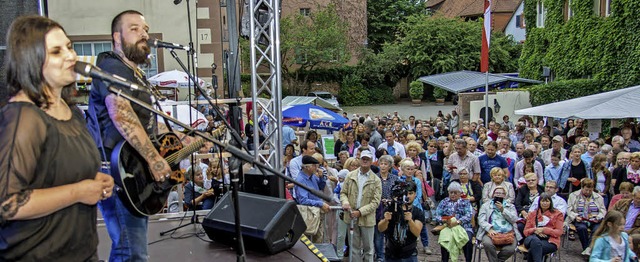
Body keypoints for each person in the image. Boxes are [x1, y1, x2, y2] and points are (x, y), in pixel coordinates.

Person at [88, 10, 204, 261]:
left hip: (131, 167)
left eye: (146, 29)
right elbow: (120, 113)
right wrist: (153, 159)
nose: (144, 34)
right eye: (135, 29)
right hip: (117, 169)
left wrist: (180, 138)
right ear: (116, 38)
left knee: (129, 249)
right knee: (131, 251)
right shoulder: (110, 64)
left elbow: (145, 121)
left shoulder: (135, 75)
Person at [0, 15, 115, 261]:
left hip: (81, 250)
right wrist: (79, 190)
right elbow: (8, 204)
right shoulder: (22, 116)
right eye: (56, 51)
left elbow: (54, 172)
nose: (70, 56)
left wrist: (94, 179)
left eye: (69, 47)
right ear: (31, 60)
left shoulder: (71, 112)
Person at [340, 150, 383, 261]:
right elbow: (343, 193)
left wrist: (360, 212)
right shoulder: (350, 176)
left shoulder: (376, 180)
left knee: (368, 248)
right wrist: (345, 202)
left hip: (367, 219)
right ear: (359, 159)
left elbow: (375, 202)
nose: (365, 161)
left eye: (367, 159)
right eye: (363, 158)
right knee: (354, 247)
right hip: (351, 217)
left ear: (371, 161)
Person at [377, 181, 425, 262]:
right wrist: (386, 220)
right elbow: (380, 229)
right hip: (391, 253)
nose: (408, 196)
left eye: (411, 193)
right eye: (406, 194)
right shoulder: (391, 208)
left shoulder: (418, 212)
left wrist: (410, 221)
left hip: (409, 253)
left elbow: (417, 233)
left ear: (415, 194)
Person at [476, 186, 521, 262]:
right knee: (488, 244)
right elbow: (481, 220)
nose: (499, 195)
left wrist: (503, 210)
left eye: (501, 193)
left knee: (510, 249)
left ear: (504, 195)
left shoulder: (510, 206)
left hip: (508, 233)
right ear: (493, 194)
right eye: (497, 193)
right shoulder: (485, 206)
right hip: (490, 232)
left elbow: (514, 219)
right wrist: (489, 229)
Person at [434, 182, 474, 262]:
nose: (453, 194)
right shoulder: (444, 202)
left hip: (464, 227)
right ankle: (444, 260)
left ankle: (468, 260)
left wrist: (458, 222)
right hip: (448, 226)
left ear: (460, 193)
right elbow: (436, 215)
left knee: (468, 241)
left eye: (455, 193)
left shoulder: (465, 202)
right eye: (451, 192)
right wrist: (443, 219)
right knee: (445, 239)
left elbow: (469, 215)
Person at [565, 178, 606, 255]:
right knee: (582, 228)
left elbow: (603, 210)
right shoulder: (573, 195)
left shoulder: (599, 197)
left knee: (597, 229)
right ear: (582, 187)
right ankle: (586, 248)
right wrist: (575, 216)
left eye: (590, 190)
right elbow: (569, 210)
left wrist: (598, 217)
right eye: (586, 190)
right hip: (580, 219)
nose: (588, 192)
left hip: (594, 220)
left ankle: (589, 249)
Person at [295, 155, 330, 242]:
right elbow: (303, 200)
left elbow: (321, 187)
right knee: (309, 242)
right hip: (309, 215)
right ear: (307, 167)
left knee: (319, 239)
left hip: (316, 213)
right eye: (314, 166)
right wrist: (320, 204)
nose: (317, 168)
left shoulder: (313, 177)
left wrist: (322, 178)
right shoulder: (300, 180)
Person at [523, 193, 564, 262]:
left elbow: (559, 232)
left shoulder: (558, 214)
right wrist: (535, 230)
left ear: (551, 202)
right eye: (543, 201)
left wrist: (544, 230)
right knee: (535, 242)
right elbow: (525, 231)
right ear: (539, 202)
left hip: (550, 241)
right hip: (532, 238)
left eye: (547, 201)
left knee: (533, 250)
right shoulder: (533, 214)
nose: (545, 203)